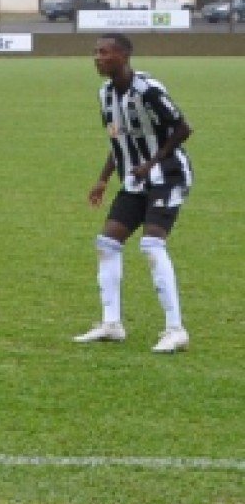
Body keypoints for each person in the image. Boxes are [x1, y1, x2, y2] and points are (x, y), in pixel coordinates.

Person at [75, 34, 193, 353]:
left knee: (152, 245)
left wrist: (152, 161)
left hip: (168, 174)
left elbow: (182, 128)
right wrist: (102, 180)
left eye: (105, 52)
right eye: (95, 52)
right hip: (136, 180)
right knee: (108, 243)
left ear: (125, 55)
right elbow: (118, 142)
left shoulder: (148, 89)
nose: (97, 58)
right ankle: (111, 324)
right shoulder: (105, 95)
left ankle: (175, 329)